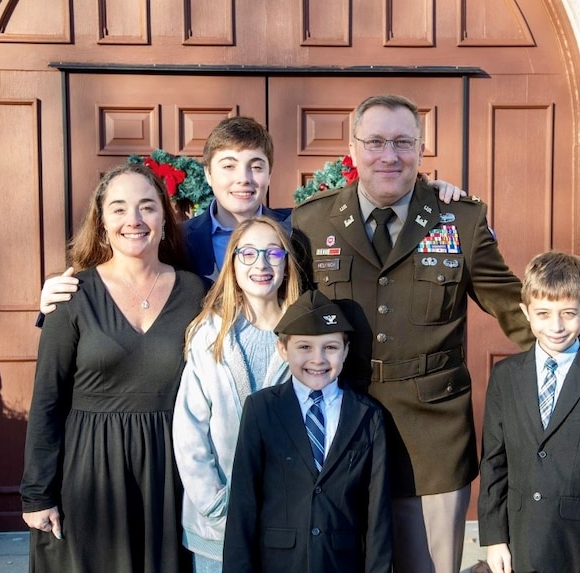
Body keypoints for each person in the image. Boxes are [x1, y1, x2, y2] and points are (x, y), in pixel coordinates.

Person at [289, 94, 580, 573]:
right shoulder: (310, 221)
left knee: (429, 566)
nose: (390, 155)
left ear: (422, 149)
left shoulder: (460, 220)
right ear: (353, 146)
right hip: (340, 426)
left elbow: (514, 304)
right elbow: (288, 319)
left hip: (432, 435)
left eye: (404, 142)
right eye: (377, 142)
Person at [36, 116, 464, 313]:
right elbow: (124, 269)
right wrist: (56, 295)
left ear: (269, 172)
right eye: (228, 166)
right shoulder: (180, 238)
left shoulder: (303, 227)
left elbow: (377, 218)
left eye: (255, 166)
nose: (243, 179)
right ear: (207, 173)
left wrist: (429, 192)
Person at [20, 163, 206, 572]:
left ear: (164, 217)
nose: (134, 220)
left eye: (147, 207)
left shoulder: (197, 293)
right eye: (119, 209)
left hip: (170, 474)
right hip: (89, 474)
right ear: (101, 223)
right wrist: (37, 495)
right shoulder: (71, 294)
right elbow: (47, 400)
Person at [478, 251, 580, 573]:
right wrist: (494, 538)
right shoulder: (505, 376)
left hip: (579, 547)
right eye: (544, 314)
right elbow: (494, 462)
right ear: (526, 313)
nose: (557, 326)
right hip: (519, 540)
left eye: (568, 313)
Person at [223, 289, 391, 573]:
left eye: (330, 347)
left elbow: (378, 515)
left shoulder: (368, 415)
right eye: (304, 347)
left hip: (341, 563)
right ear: (282, 349)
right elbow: (243, 504)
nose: (318, 359)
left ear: (346, 350)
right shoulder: (261, 409)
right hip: (279, 563)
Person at [172, 215, 302, 572]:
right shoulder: (210, 334)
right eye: (248, 253)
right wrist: (214, 500)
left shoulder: (304, 335)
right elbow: (189, 429)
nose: (261, 264)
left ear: (287, 263)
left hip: (289, 518)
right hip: (220, 520)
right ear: (232, 263)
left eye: (273, 253)